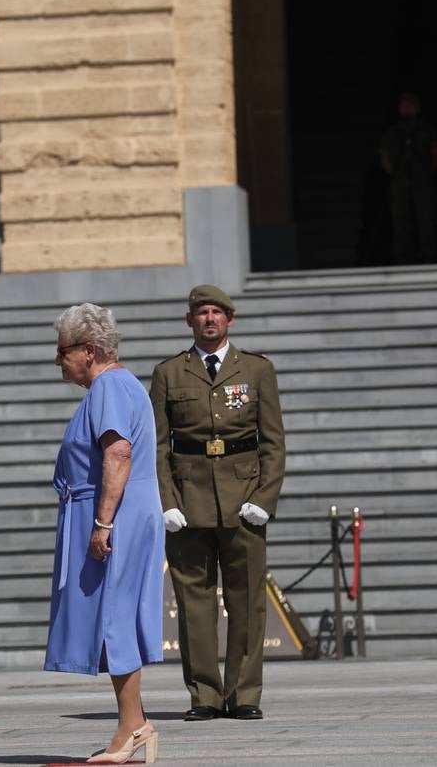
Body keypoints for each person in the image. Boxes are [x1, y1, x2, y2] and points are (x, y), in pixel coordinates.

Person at [150, 284, 285, 721]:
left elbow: (273, 442)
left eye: (217, 312)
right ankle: (205, 695)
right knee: (194, 603)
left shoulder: (257, 369)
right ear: (189, 321)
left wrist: (265, 497)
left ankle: (244, 693)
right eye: (201, 312)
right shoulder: (169, 373)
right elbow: (157, 444)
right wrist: (165, 500)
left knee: (248, 601)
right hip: (188, 501)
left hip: (244, 497)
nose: (209, 319)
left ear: (230, 318)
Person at [44, 303, 164, 765]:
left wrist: (102, 523)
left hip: (116, 515)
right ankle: (133, 724)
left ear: (89, 351)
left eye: (63, 352)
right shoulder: (116, 385)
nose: (59, 361)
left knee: (113, 617)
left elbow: (117, 454)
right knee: (113, 617)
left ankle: (132, 726)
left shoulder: (110, 386)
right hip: (122, 511)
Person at [379, 91, 437, 264]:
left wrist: (425, 173)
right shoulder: (392, 131)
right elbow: (385, 159)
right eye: (404, 104)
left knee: (425, 219)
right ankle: (402, 260)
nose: (407, 107)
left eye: (410, 104)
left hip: (422, 180)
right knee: (400, 222)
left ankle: (429, 258)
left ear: (417, 108)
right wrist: (397, 173)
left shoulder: (426, 129)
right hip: (400, 181)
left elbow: (435, 154)